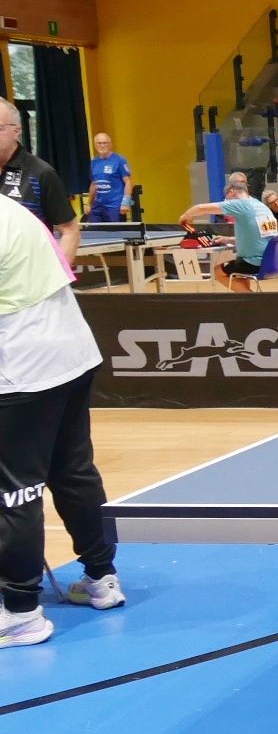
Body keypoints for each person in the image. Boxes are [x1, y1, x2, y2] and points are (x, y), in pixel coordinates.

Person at [0, 193, 126, 646]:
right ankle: (101, 579)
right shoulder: (11, 208)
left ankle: (20, 612)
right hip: (71, 354)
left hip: (21, 368)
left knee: (14, 491)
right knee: (72, 471)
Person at [0, 100, 79, 264]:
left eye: (0, 128)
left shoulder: (41, 173)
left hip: (27, 275)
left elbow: (70, 231)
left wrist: (57, 274)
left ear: (16, 131)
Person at [178, 180, 278, 292]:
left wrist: (185, 216)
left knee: (218, 272)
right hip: (273, 260)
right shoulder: (261, 206)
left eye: (227, 198)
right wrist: (227, 239)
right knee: (238, 271)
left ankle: (253, 299)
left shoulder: (240, 204)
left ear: (231, 192)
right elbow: (257, 237)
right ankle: (246, 300)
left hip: (255, 262)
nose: (227, 201)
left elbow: (201, 208)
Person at [85, 134, 133, 224]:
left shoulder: (119, 160)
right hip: (98, 205)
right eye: (99, 143)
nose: (102, 145)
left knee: (115, 231)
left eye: (105, 143)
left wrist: (126, 202)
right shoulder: (94, 162)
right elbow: (94, 184)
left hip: (115, 206)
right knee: (94, 230)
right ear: (95, 145)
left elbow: (128, 181)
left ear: (110, 144)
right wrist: (89, 204)